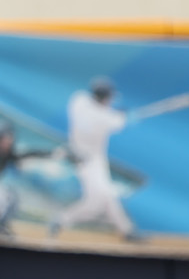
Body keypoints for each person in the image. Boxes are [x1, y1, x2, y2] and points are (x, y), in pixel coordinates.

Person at [51, 77, 135, 239]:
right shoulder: (105, 118)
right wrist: (125, 116)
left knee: (105, 198)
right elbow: (116, 122)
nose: (111, 101)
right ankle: (61, 220)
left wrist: (116, 113)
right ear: (103, 98)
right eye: (109, 98)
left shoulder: (79, 100)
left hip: (84, 157)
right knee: (100, 200)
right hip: (89, 161)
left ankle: (127, 231)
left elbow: (104, 112)